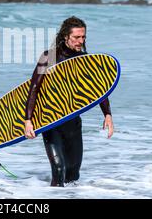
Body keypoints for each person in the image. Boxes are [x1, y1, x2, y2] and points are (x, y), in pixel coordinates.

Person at [24, 16, 114, 187]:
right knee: (59, 170)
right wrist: (28, 120)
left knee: (73, 174)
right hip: (51, 122)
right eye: (76, 37)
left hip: (73, 123)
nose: (81, 41)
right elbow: (34, 88)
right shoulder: (48, 57)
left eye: (83, 37)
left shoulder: (86, 60)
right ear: (66, 36)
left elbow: (100, 88)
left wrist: (107, 114)